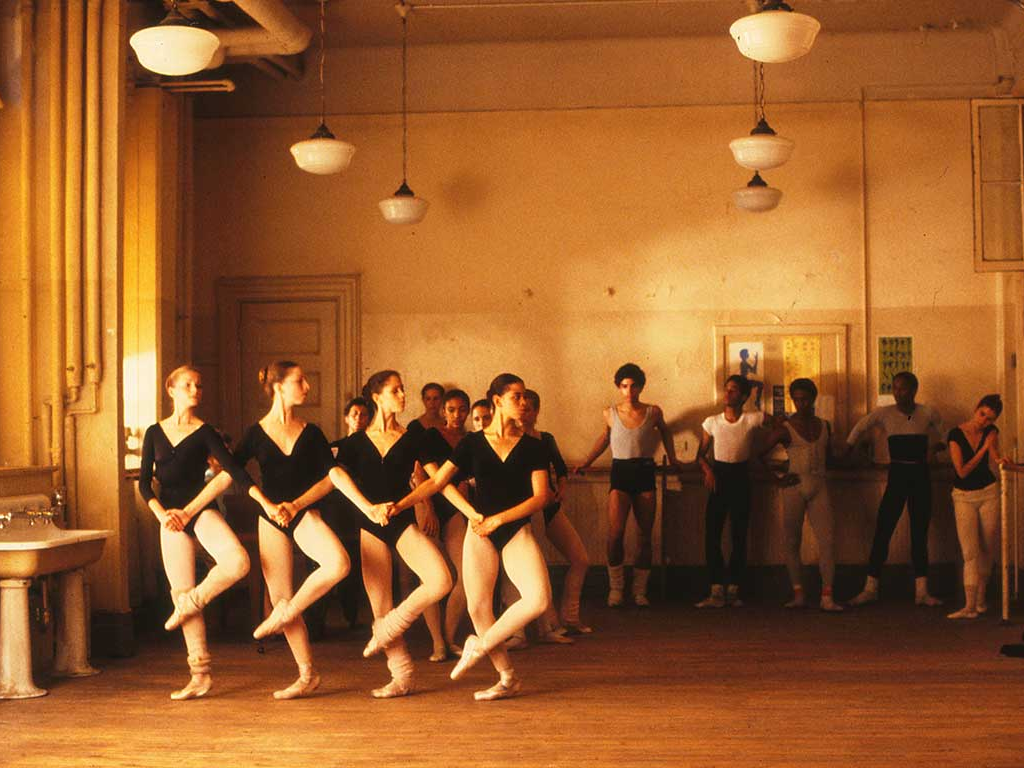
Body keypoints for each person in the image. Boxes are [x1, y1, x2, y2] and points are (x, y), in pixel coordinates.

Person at [291, 370, 453, 698]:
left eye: (403, 389)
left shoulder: (415, 437)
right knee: (380, 604)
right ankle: (402, 677)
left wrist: (403, 503)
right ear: (377, 397)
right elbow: (332, 480)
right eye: (395, 390)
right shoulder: (353, 444)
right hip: (369, 525)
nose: (403, 395)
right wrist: (296, 504)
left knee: (441, 579)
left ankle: (389, 626)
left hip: (401, 520)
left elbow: (436, 481)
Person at [138, 365, 277, 700]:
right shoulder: (154, 433)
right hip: (170, 517)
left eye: (199, 386)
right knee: (180, 588)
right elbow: (144, 484)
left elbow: (234, 473)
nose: (195, 390)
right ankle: (199, 676)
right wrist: (162, 515)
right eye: (188, 385)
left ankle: (192, 602)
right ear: (171, 389)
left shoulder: (205, 433)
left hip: (200, 511)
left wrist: (264, 502)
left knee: (238, 562)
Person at [415, 373, 553, 700]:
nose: (523, 402)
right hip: (480, 531)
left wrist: (498, 520)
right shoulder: (472, 443)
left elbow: (541, 497)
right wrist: (402, 505)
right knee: (478, 609)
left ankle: (480, 645)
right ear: (497, 401)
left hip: (515, 529)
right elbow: (438, 482)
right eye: (517, 397)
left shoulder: (534, 446)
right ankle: (507, 677)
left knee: (538, 598)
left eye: (525, 397)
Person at [229, 361, 355, 699]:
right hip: (270, 516)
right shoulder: (255, 433)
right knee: (279, 596)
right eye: (300, 380)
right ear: (279, 386)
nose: (307, 387)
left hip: (302, 512)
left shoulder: (311, 433)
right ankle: (307, 674)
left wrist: (296, 505)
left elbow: (330, 478)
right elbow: (235, 472)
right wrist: (266, 503)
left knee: (339, 563)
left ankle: (286, 613)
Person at [574, 362, 684, 607]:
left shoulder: (653, 412)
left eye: (634, 386)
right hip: (620, 473)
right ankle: (616, 588)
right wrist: (586, 462)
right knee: (615, 535)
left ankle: (639, 590)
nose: (629, 391)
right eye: (624, 386)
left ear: (641, 387)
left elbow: (666, 432)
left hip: (644, 472)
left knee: (644, 535)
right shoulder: (610, 412)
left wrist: (673, 457)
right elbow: (605, 438)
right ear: (619, 387)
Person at [846, 371, 945, 607]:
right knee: (883, 529)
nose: (899, 393)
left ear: (914, 390)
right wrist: (849, 449)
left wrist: (935, 448)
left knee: (919, 533)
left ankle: (922, 591)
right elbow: (859, 427)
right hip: (898, 475)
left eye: (904, 388)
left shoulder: (928, 412)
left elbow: (946, 435)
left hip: (920, 475)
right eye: (895, 388)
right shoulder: (884, 413)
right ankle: (870, 588)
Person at [760, 378, 842, 612]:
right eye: (796, 399)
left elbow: (829, 458)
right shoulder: (785, 428)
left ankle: (827, 596)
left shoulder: (825, 425)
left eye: (805, 399)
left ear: (813, 398)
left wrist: (851, 456)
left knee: (827, 541)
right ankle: (798, 594)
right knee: (792, 540)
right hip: (794, 487)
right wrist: (778, 479)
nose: (800, 404)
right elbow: (758, 454)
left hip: (819, 484)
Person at [521, 389, 591, 636]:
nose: (524, 412)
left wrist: (561, 490)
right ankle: (548, 624)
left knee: (580, 559)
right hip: (525, 511)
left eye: (529, 408)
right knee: (539, 568)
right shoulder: (512, 440)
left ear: (537, 411)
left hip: (549, 506)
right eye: (521, 407)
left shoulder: (545, 438)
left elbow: (560, 469)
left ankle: (570, 617)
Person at [695, 375, 767, 608]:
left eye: (733, 390)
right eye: (726, 389)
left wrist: (766, 454)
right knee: (712, 534)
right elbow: (700, 455)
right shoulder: (712, 422)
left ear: (744, 396)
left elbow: (781, 426)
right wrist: (708, 470)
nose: (727, 394)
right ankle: (716, 589)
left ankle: (734, 589)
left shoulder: (752, 419)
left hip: (741, 477)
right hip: (719, 477)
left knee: (739, 534)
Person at [418, 388, 474, 658]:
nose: (457, 415)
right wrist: (428, 509)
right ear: (443, 411)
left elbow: (472, 476)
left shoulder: (471, 441)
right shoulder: (431, 435)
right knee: (429, 575)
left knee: (465, 575)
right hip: (428, 504)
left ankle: (449, 637)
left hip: (455, 508)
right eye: (451, 410)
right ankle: (437, 642)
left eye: (462, 410)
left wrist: (466, 489)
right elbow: (420, 474)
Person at [946, 394, 1008, 619]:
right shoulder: (955, 434)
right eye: (982, 415)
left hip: (988, 492)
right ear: (976, 409)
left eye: (990, 419)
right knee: (970, 551)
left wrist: (1002, 460)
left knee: (988, 546)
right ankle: (969, 606)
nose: (984, 421)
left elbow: (995, 456)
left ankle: (980, 601)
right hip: (963, 495)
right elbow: (961, 471)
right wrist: (983, 450)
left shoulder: (992, 432)